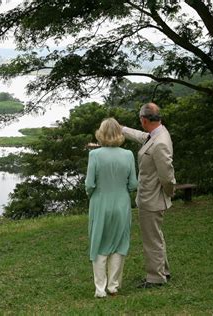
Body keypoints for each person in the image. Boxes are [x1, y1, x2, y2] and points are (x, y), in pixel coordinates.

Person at [121, 102, 176, 288]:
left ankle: (155, 278)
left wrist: (169, 193)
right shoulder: (157, 134)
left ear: (144, 120)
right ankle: (163, 271)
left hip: (152, 199)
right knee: (156, 237)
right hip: (151, 197)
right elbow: (141, 136)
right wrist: (121, 129)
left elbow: (167, 176)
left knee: (151, 240)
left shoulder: (160, 142)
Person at [85, 118, 138, 298]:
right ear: (119, 134)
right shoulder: (128, 155)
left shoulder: (94, 155)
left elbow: (89, 184)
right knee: (119, 243)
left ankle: (100, 289)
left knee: (99, 243)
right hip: (122, 204)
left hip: (100, 203)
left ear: (101, 134)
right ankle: (113, 286)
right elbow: (133, 184)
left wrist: (93, 194)